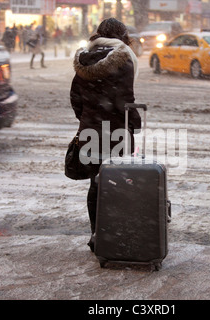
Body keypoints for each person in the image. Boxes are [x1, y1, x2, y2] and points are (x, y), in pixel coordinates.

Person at [69, 18, 141, 251]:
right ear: (122, 35)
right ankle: (115, 233)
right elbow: (125, 101)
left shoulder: (84, 60)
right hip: (117, 131)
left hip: (90, 129)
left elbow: (75, 97)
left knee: (96, 182)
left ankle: (96, 233)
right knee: (118, 182)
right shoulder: (124, 59)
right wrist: (135, 125)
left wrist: (87, 118)